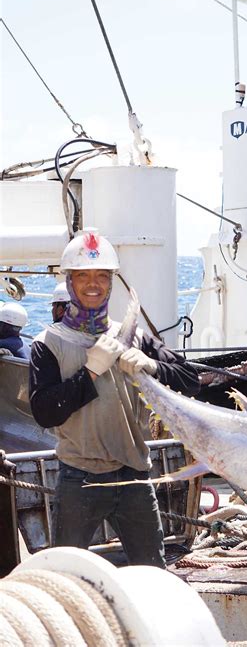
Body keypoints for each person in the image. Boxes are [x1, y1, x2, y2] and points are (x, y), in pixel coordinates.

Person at [29, 231, 200, 568]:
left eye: (102, 276)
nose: (93, 284)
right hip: (79, 478)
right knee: (67, 577)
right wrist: (90, 371)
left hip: (134, 476)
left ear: (111, 282)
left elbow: (191, 380)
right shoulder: (47, 343)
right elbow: (45, 412)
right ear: (70, 280)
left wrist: (153, 365)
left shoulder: (134, 334)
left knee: (153, 573)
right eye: (83, 275)